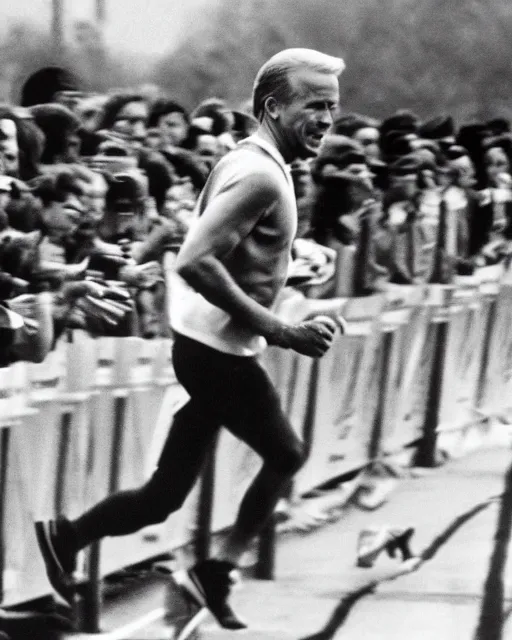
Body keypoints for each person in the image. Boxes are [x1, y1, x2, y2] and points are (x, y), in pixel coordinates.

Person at [34, 48, 344, 630]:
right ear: (274, 107)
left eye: (334, 106)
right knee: (287, 454)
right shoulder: (258, 174)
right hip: (215, 354)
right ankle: (216, 571)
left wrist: (290, 266)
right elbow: (196, 259)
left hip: (205, 347)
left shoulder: (256, 161)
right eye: (316, 104)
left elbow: (237, 251)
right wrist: (281, 330)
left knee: (165, 493)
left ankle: (65, 536)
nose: (328, 118)